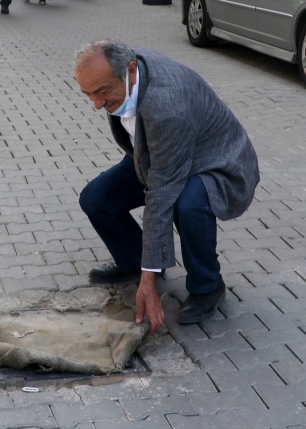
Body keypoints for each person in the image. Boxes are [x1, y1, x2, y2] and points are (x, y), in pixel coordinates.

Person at [74, 40, 260, 333]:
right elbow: (153, 167)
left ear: (131, 72)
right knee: (96, 199)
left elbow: (160, 192)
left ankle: (207, 285)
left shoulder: (167, 106)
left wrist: (149, 280)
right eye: (88, 94)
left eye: (102, 93)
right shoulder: (126, 71)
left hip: (214, 162)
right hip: (157, 153)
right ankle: (134, 260)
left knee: (188, 204)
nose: (97, 104)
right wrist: (148, 265)